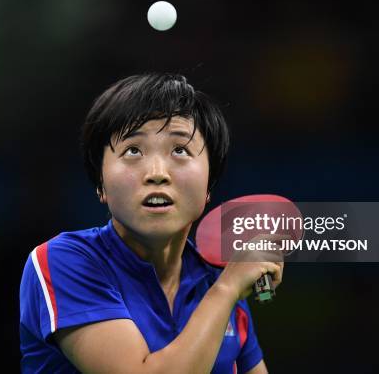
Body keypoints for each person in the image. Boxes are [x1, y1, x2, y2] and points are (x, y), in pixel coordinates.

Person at [19, 73, 283, 373]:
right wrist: (227, 290)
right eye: (133, 150)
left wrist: (226, 288)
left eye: (180, 150)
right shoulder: (64, 260)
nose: (157, 172)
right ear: (100, 185)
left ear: (209, 185)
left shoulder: (215, 279)